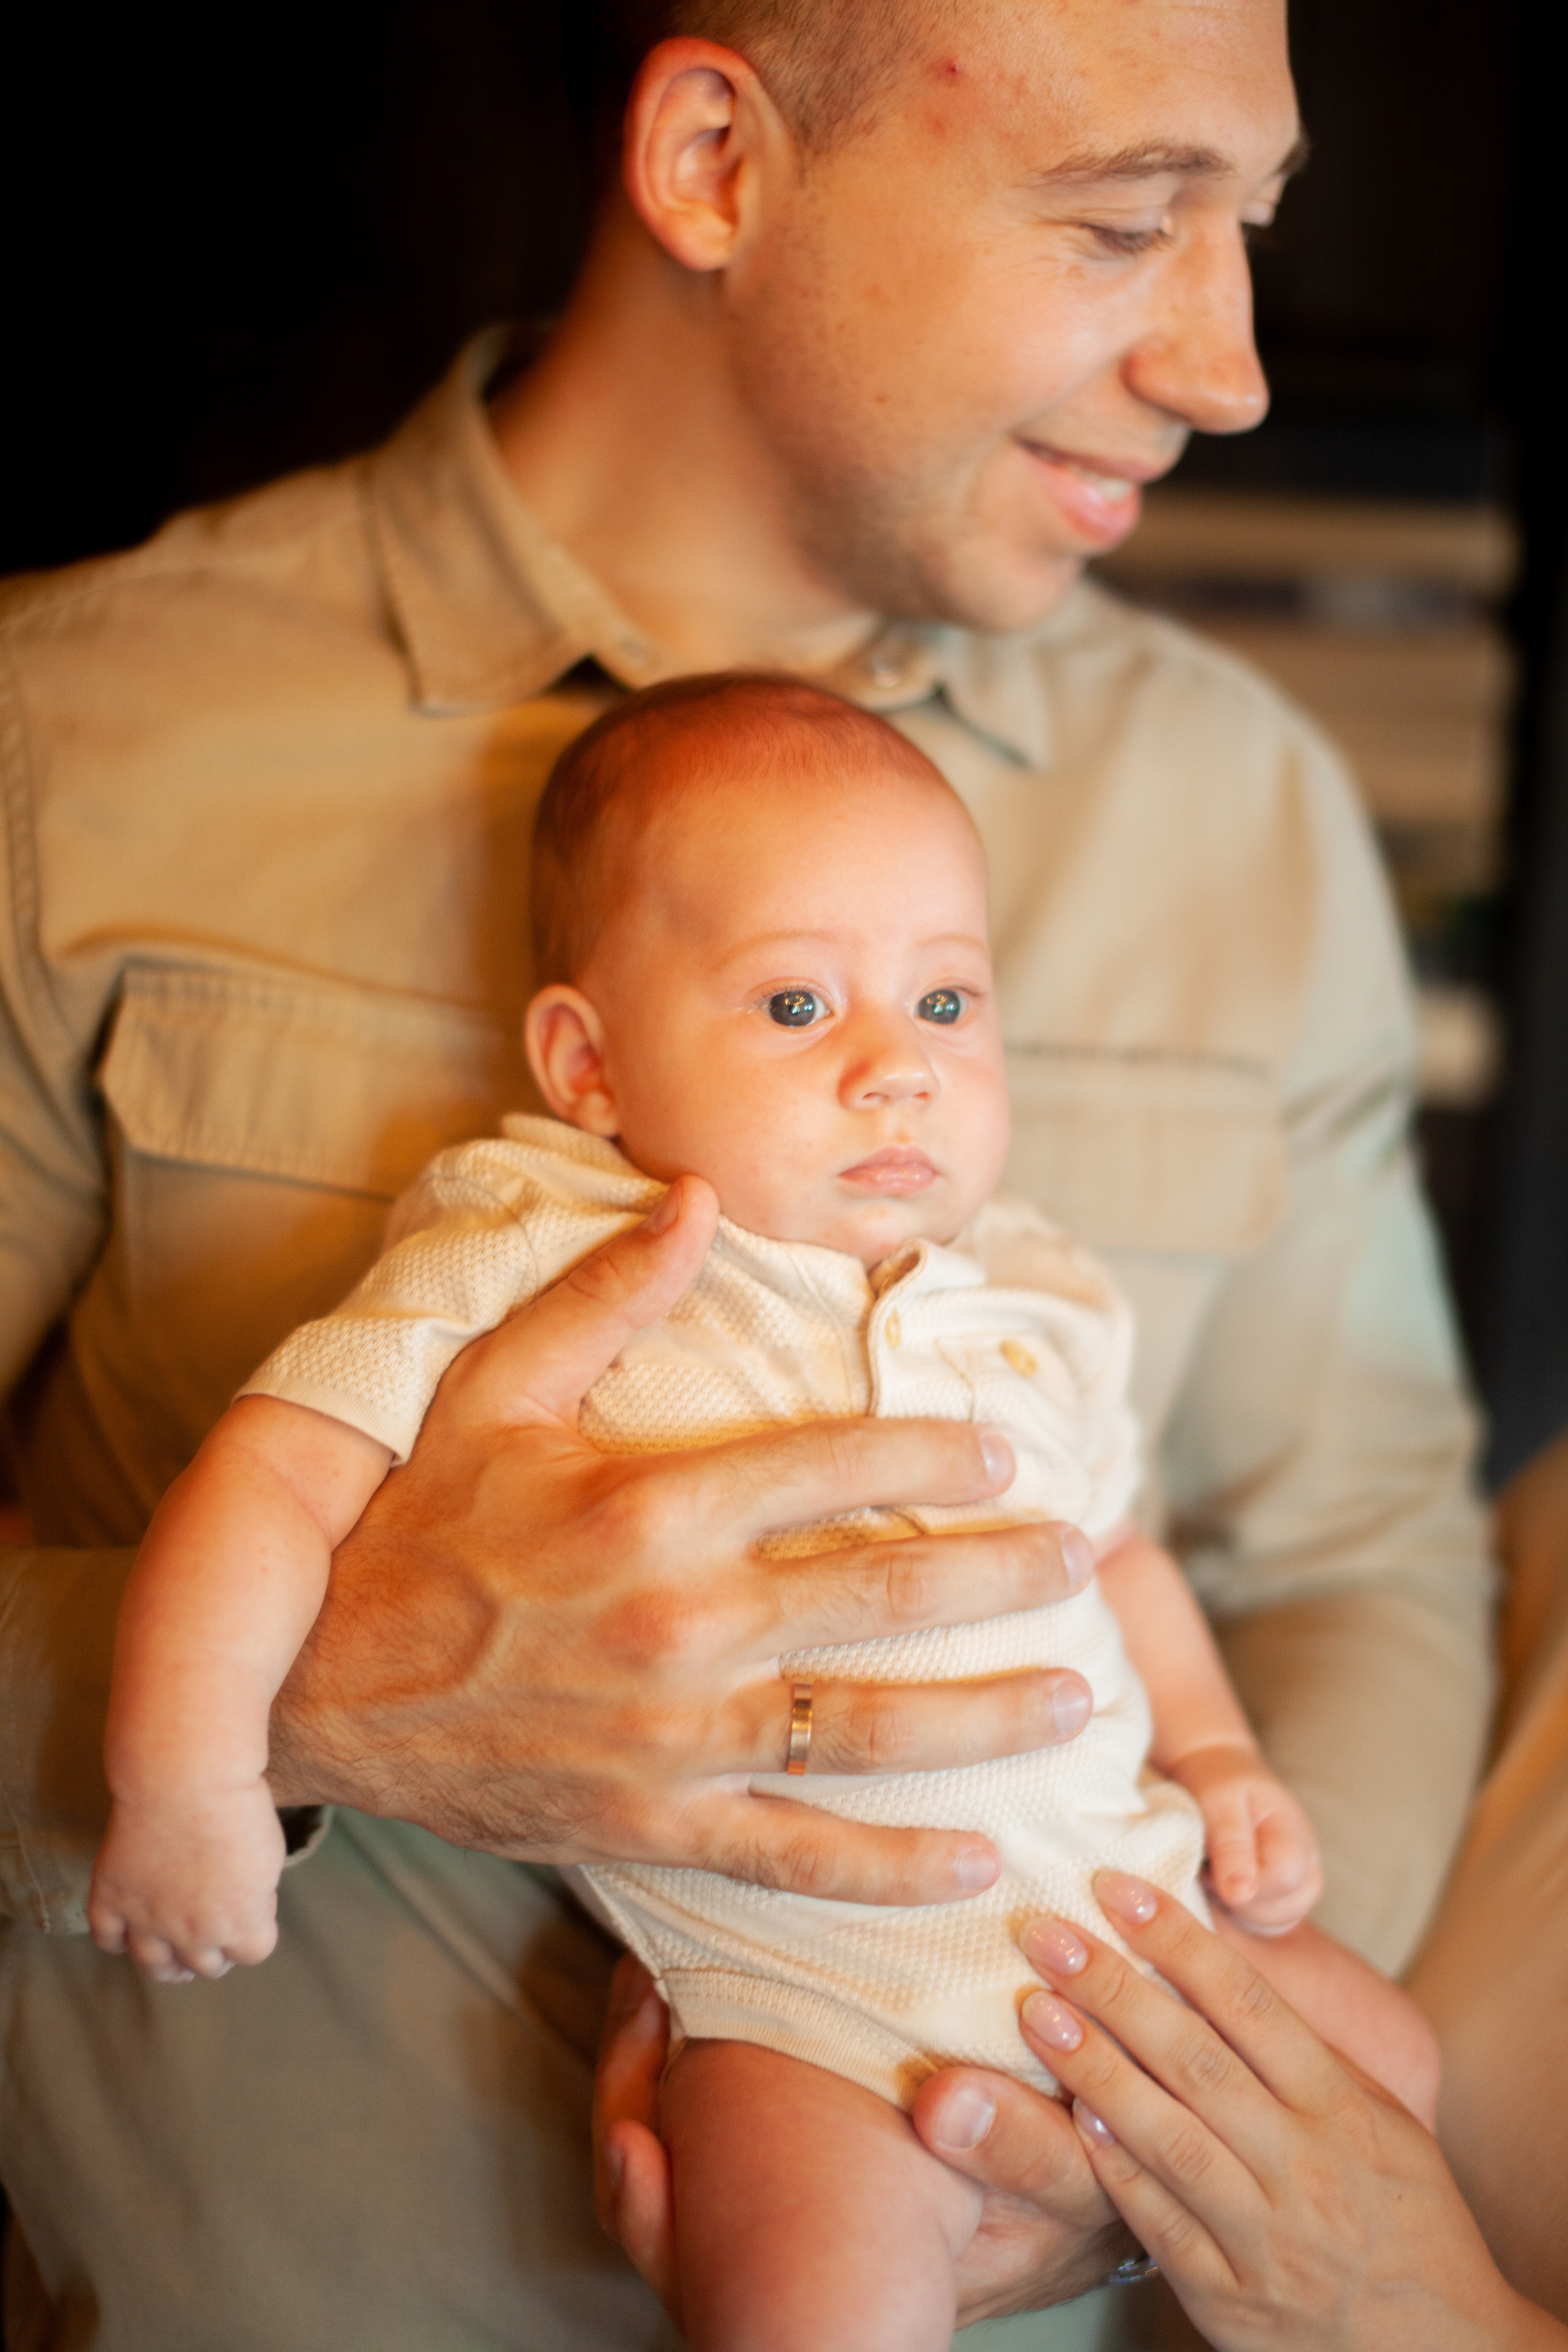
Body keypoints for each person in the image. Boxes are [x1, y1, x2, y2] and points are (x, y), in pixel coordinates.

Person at [0, 0, 1507, 2340]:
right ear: (714, 156)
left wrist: (1170, 2112)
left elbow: (1356, 1553)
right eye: (1125, 220)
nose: (1233, 370)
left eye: (1254, 228)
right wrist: (290, 1701)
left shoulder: (1258, 818)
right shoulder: (61, 749)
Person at [86, 674, 1435, 2350]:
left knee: (1398, 2076)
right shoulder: (539, 1249)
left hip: (1128, 1924)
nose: (897, 1073)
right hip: (811, 2014)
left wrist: (1224, 1764)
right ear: (587, 1063)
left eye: (949, 1004)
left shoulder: (1036, 1295)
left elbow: (1124, 1555)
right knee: (813, 2314)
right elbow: (274, 1469)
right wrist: (190, 1771)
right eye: (799, 1007)